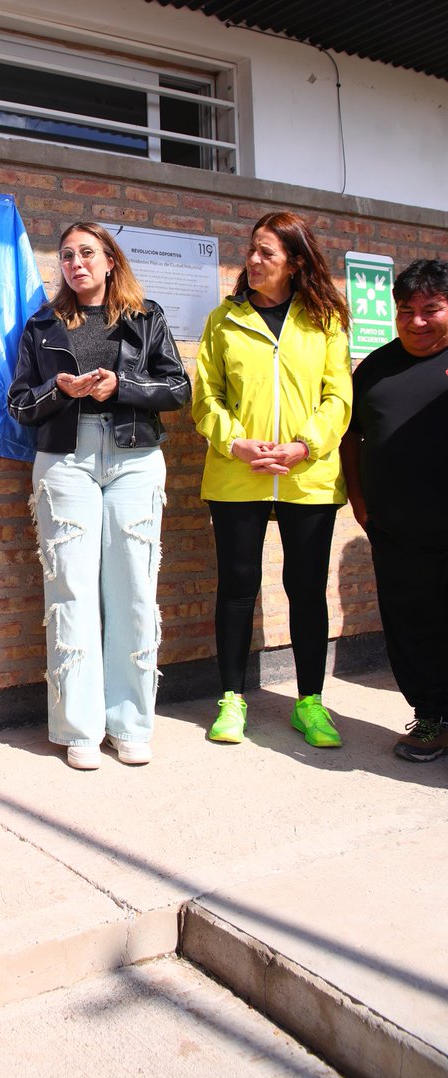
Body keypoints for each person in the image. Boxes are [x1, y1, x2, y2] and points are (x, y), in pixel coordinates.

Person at [7, 221, 190, 770]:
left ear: (110, 260)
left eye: (87, 253)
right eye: (66, 256)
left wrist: (123, 387)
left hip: (134, 455)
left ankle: (131, 723)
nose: (75, 263)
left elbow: (178, 388)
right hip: (66, 458)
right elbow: (17, 405)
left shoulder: (146, 316)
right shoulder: (41, 324)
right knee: (72, 590)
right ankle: (79, 728)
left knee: (134, 588)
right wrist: (55, 391)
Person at [193, 211, 352, 748]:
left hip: (307, 475)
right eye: (252, 250)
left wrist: (304, 445)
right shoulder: (224, 319)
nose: (253, 261)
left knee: (306, 590)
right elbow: (206, 396)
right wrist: (235, 441)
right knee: (237, 589)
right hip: (239, 474)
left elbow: (338, 397)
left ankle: (309, 702)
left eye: (267, 253)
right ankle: (232, 699)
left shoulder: (325, 320)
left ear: (296, 262)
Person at [341, 259, 448, 762]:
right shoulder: (376, 367)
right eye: (406, 311)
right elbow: (352, 438)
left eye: (432, 309)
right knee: (409, 625)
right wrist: (360, 502)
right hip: (397, 529)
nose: (417, 321)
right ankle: (430, 718)